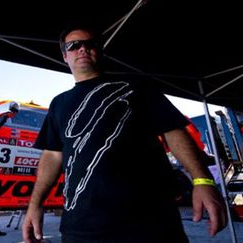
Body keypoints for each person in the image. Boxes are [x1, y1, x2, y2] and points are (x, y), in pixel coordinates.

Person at [22, 23, 228, 243]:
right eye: (74, 45)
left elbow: (172, 130)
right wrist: (35, 205)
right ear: (65, 56)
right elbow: (52, 155)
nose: (82, 49)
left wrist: (202, 181)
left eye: (89, 44)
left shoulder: (137, 85)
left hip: (148, 223)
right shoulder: (58, 103)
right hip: (81, 227)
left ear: (99, 50)